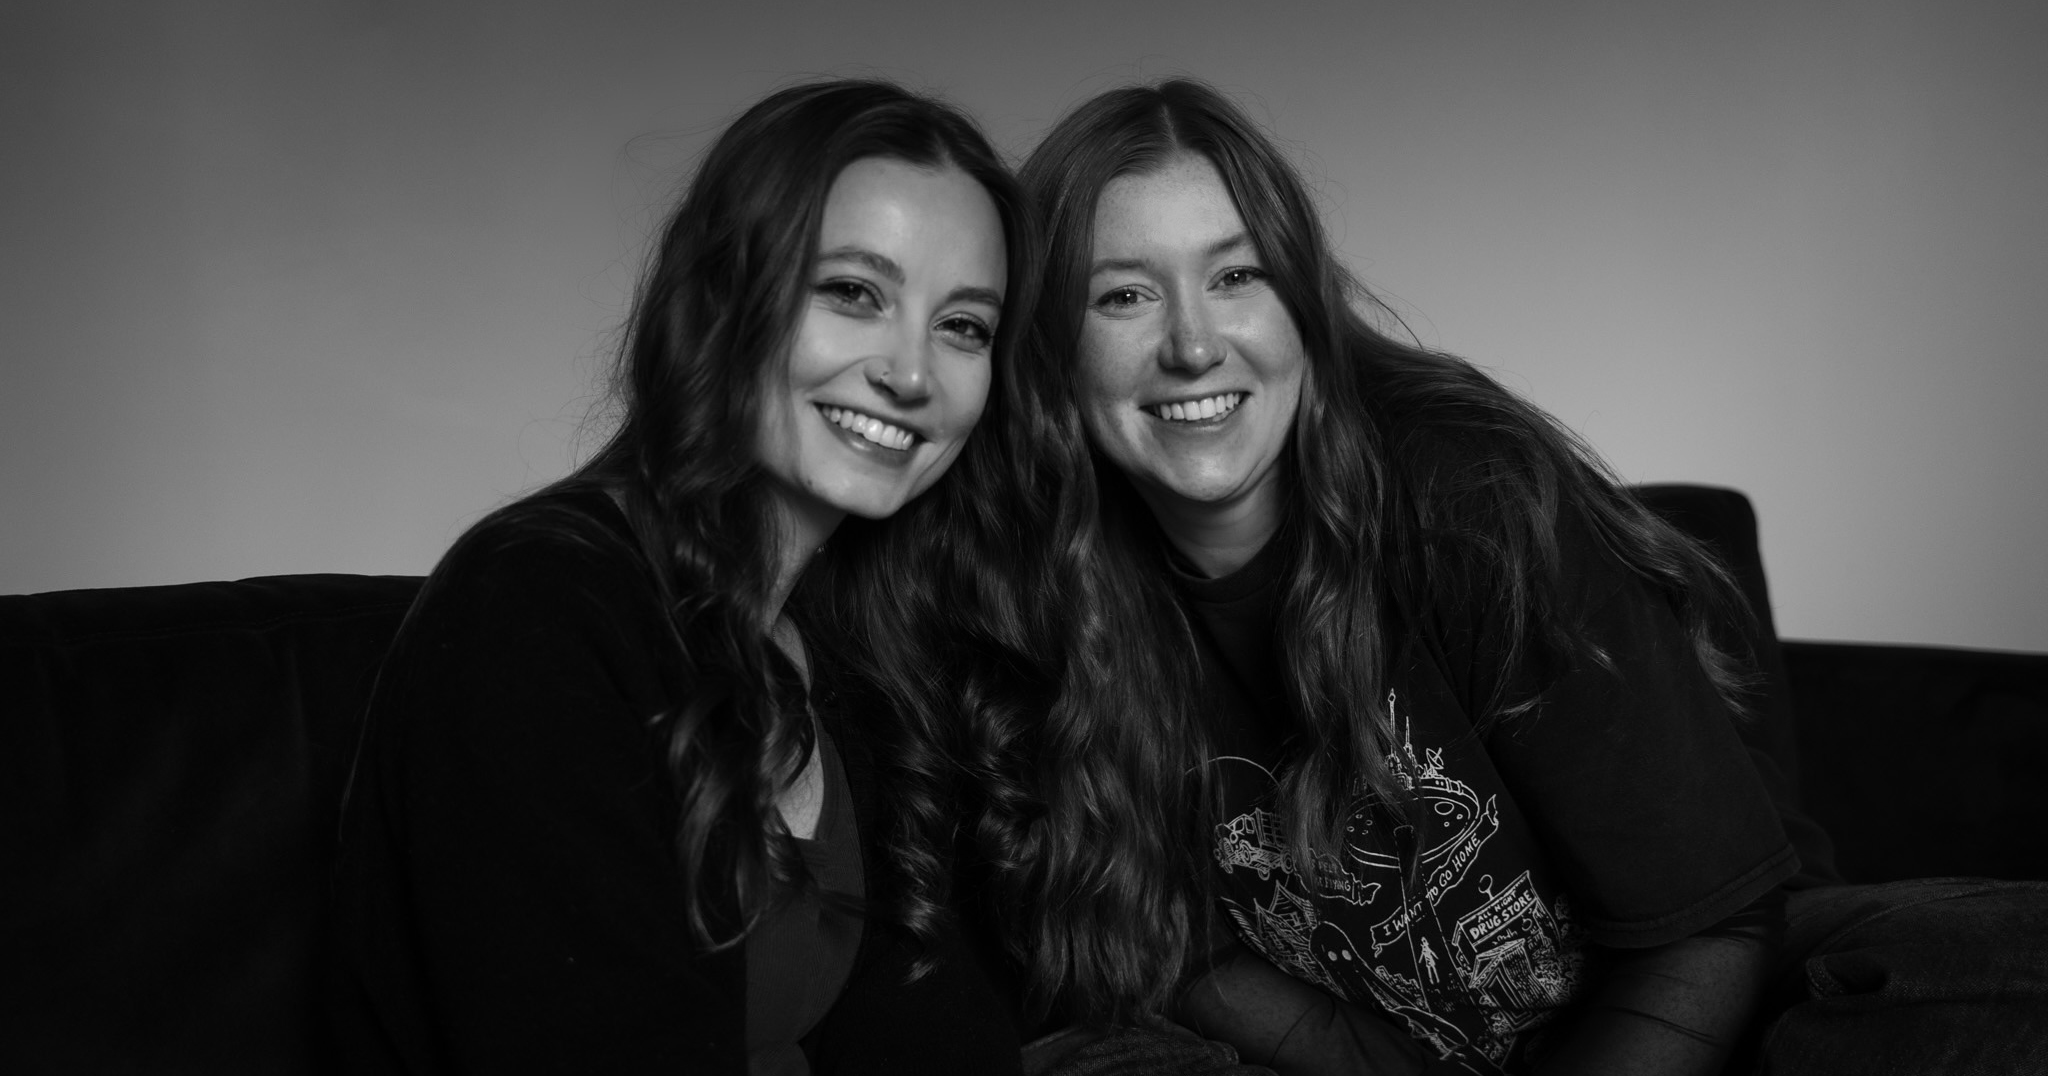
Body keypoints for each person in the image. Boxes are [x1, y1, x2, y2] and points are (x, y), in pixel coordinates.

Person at [994, 79, 1803, 1076]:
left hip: (1706, 1017)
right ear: (1046, 348)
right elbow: (1176, 949)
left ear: (1302, 304)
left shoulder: (1466, 497)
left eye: (1236, 276)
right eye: (1121, 294)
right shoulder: (1032, 587)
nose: (1192, 344)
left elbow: (1709, 928)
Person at [327, 79, 1050, 1075]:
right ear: (724, 297)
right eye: (852, 292)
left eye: (963, 325)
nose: (912, 373)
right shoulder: (535, 604)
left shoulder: (838, 645)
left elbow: (938, 1040)